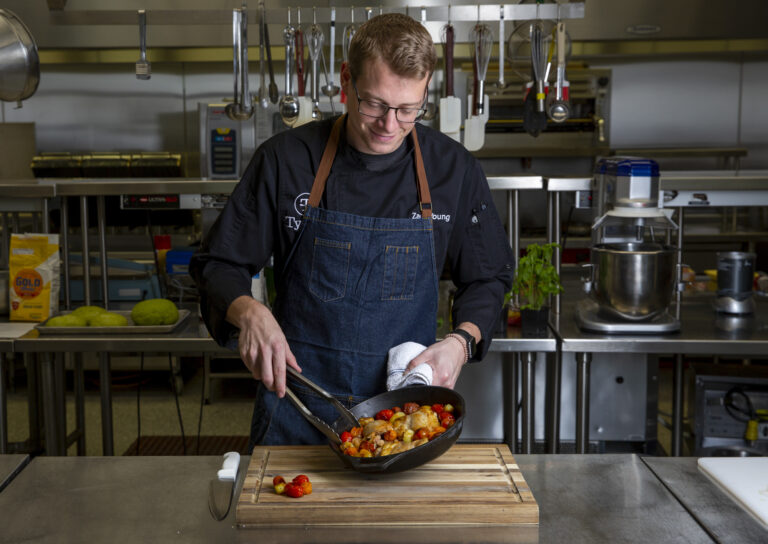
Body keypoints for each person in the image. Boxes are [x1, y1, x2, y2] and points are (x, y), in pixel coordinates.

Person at [190, 13, 514, 448]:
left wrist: (461, 341)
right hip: (299, 409)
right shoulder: (286, 161)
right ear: (346, 79)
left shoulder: (451, 170)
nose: (389, 125)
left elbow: (488, 276)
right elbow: (218, 264)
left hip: (403, 419)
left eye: (408, 110)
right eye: (375, 104)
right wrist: (248, 311)